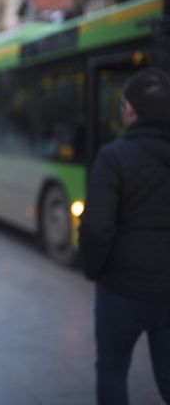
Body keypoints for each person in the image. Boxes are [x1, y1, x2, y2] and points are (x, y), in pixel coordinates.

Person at [79, 67, 170, 405]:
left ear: (129, 110)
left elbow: (95, 227)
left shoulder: (114, 157)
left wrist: (93, 269)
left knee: (113, 370)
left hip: (121, 290)